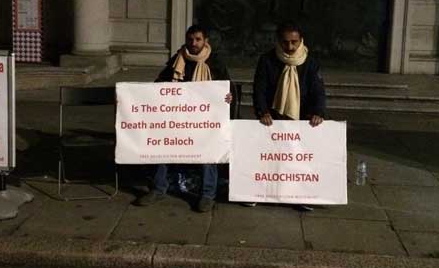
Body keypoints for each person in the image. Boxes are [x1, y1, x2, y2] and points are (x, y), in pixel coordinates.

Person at [135, 25, 234, 213]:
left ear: (206, 41)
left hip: (205, 121)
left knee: (209, 151)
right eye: (190, 39)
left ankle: (207, 195)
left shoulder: (216, 62)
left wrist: (229, 97)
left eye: (198, 39)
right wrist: (131, 96)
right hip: (177, 118)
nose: (193, 43)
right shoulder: (177, 59)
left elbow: (228, 88)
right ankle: (158, 188)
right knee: (160, 144)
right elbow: (159, 85)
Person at [249, 21, 326, 210]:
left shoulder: (311, 62)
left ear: (301, 41)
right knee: (267, 159)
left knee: (299, 160)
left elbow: (318, 91)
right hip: (273, 116)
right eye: (285, 42)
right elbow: (259, 89)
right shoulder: (267, 60)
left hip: (302, 117)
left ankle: (301, 195)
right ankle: (256, 192)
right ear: (278, 41)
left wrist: (318, 113)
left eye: (294, 42)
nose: (290, 47)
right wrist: (263, 111)